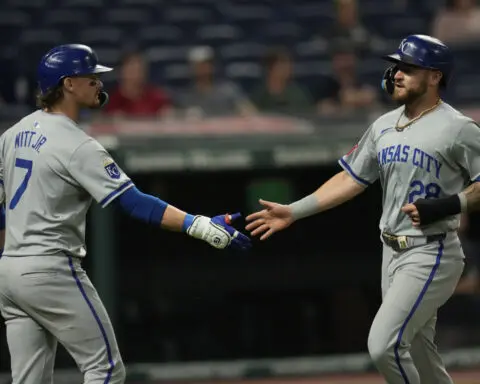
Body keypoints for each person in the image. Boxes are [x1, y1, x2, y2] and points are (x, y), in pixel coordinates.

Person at [0, 44, 250, 384]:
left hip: (10, 270)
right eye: (91, 78)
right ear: (68, 84)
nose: (100, 84)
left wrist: (11, 254)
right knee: (105, 369)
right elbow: (131, 202)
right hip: (50, 269)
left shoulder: (12, 135)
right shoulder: (78, 145)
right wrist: (199, 225)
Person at [246, 34, 480, 384]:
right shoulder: (383, 125)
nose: (397, 74)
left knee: (383, 346)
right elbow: (351, 179)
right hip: (391, 251)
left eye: (409, 68)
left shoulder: (458, 128)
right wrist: (294, 211)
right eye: (397, 66)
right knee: (418, 348)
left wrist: (451, 204)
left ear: (435, 76)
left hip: (431, 251)